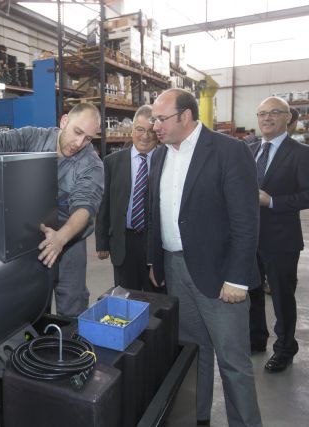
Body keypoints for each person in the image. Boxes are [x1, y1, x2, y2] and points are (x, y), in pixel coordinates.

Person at [147, 89, 262, 426]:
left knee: (233, 362)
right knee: (192, 353)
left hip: (220, 275)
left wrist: (237, 278)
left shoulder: (229, 151)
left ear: (186, 116)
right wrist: (156, 259)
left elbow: (246, 221)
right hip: (175, 268)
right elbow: (158, 211)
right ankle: (197, 418)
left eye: (161, 119)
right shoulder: (160, 155)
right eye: (154, 119)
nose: (155, 126)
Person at [0, 102, 104, 317]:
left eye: (88, 138)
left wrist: (61, 238)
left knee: (71, 304)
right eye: (77, 132)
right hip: (29, 238)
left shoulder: (92, 164)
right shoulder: (34, 137)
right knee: (28, 305)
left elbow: (84, 207)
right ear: (64, 121)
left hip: (69, 242)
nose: (80, 143)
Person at [247, 97, 309, 372]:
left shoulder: (300, 153)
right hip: (249, 236)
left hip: (282, 239)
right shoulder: (249, 150)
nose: (266, 118)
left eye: (274, 113)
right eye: (262, 113)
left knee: (282, 296)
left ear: (288, 118)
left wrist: (272, 201)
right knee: (252, 290)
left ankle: (285, 347)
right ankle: (256, 338)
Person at [96, 105, 163, 292]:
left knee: (156, 298)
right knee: (125, 297)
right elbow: (104, 204)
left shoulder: (165, 161)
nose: (145, 136)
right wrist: (102, 241)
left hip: (154, 242)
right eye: (140, 129)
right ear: (132, 130)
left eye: (151, 131)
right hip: (123, 241)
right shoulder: (112, 162)